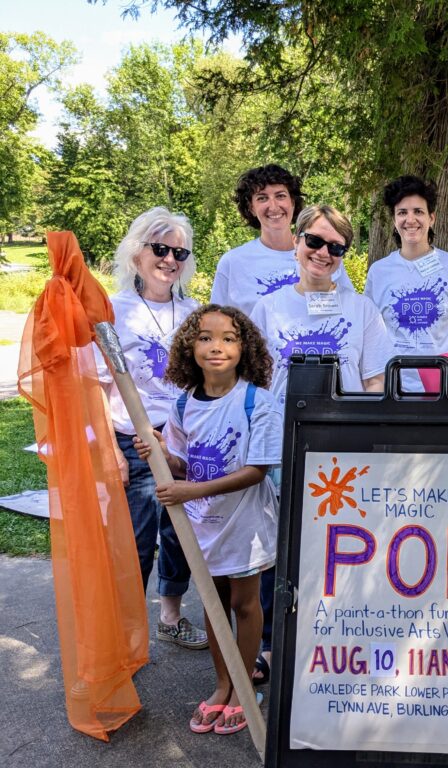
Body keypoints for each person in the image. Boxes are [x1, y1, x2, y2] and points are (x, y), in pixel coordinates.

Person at [135, 304, 282, 735]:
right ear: (189, 347)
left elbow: (256, 470)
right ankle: (222, 685)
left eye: (229, 338)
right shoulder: (183, 405)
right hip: (204, 527)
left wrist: (188, 491)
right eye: (205, 337)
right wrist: (163, 456)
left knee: (243, 603)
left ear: (245, 348)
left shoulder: (258, 402)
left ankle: (243, 687)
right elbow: (184, 466)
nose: (216, 346)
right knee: (215, 607)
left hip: (245, 525)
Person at [97, 207, 207, 651]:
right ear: (136, 253)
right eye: (160, 248)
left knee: (182, 535)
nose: (169, 259)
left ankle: (170, 616)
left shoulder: (195, 311)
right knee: (135, 542)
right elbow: (97, 386)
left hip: (184, 439)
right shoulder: (111, 312)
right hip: (135, 440)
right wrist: (112, 451)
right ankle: (125, 636)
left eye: (179, 251)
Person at [250, 204, 393, 404]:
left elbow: (376, 381)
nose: (323, 253)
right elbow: (254, 382)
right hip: (280, 430)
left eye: (335, 247)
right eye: (314, 241)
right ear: (296, 241)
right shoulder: (267, 308)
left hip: (344, 430)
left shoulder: (363, 309)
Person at [363, 175, 448, 391]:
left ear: (432, 218)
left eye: (418, 211)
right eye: (402, 212)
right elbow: (373, 330)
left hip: (444, 386)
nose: (410, 219)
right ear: (394, 220)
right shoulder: (379, 272)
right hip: (394, 387)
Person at [211, 164, 353, 316]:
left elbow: (349, 312)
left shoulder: (324, 257)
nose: (273, 206)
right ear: (251, 208)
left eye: (280, 196)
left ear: (292, 201)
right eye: (262, 198)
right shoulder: (233, 263)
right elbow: (216, 323)